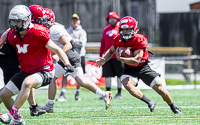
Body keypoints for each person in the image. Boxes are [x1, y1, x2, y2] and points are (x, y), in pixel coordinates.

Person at [0, 5, 74, 125]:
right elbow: (4, 44)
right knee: (4, 95)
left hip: (44, 70)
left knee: (27, 83)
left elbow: (58, 50)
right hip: (26, 71)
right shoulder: (12, 35)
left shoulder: (38, 32)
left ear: (27, 20)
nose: (15, 24)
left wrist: (67, 64)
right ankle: (18, 119)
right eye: (13, 21)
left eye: (18, 21)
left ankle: (10, 114)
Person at [96, 16, 182, 114]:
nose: (126, 32)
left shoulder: (140, 39)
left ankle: (173, 106)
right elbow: (111, 51)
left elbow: (136, 61)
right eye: (124, 29)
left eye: (128, 29)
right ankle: (149, 102)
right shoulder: (118, 39)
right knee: (127, 84)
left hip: (143, 67)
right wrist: (105, 58)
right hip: (129, 69)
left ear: (134, 29)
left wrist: (121, 59)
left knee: (160, 90)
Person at [38, 8, 112, 113]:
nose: (40, 22)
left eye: (42, 20)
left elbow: (69, 44)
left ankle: (50, 105)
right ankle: (104, 94)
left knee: (51, 78)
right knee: (81, 81)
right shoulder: (56, 27)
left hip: (68, 56)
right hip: (73, 55)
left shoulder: (54, 29)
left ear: (49, 20)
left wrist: (58, 56)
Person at [56, 13, 87, 102]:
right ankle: (62, 93)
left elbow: (81, 44)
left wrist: (70, 44)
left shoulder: (82, 32)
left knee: (79, 76)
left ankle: (77, 93)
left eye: (76, 20)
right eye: (73, 20)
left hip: (80, 56)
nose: (75, 22)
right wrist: (71, 44)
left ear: (79, 21)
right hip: (68, 56)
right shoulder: (67, 31)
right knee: (65, 74)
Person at [99, 11, 124, 99]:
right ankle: (107, 93)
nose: (111, 20)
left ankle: (119, 93)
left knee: (119, 75)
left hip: (118, 57)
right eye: (110, 18)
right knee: (107, 75)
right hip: (107, 57)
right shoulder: (106, 29)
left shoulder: (120, 28)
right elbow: (102, 43)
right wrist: (101, 55)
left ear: (117, 18)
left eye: (113, 18)